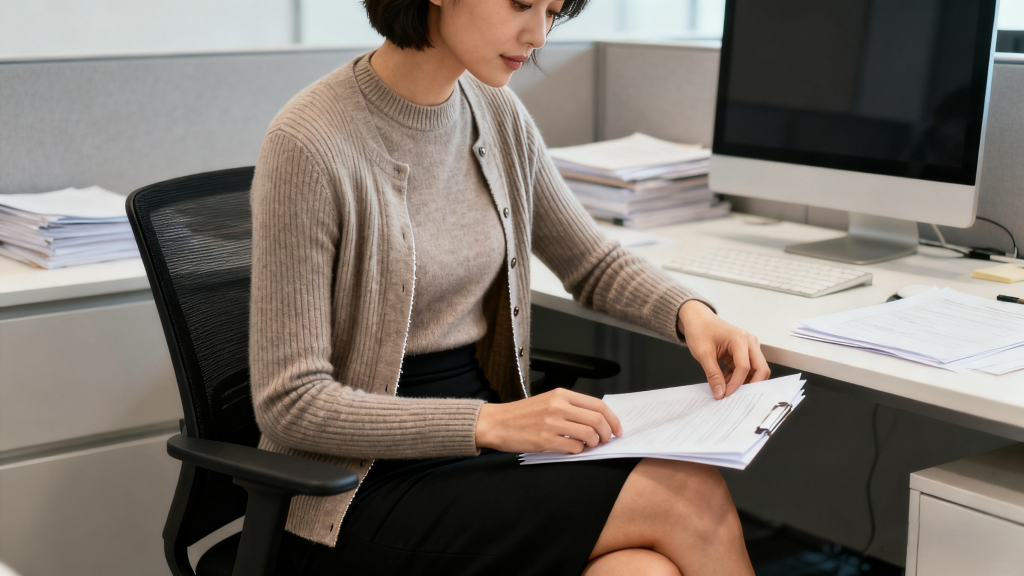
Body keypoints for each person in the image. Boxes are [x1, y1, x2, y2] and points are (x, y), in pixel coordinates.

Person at [249, 0, 770, 574]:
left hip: (482, 453)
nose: (539, 34)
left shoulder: (494, 111)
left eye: (552, 11)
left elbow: (591, 261)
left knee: (642, 572)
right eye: (522, 3)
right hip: (354, 489)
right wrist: (491, 423)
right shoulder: (309, 142)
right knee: (688, 495)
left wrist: (691, 314)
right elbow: (290, 403)